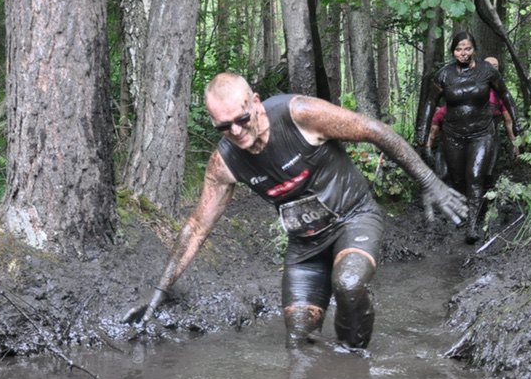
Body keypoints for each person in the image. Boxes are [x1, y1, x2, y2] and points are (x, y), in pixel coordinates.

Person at [125, 72, 466, 350]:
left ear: (255, 102)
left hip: (354, 218)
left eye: (241, 119)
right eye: (224, 127)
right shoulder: (224, 162)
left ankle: (353, 365)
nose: (236, 132)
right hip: (305, 247)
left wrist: (430, 183)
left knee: (348, 284)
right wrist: (158, 293)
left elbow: (374, 131)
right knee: (300, 342)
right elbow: (197, 227)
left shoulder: (299, 114)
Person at [418, 34, 519, 244]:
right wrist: (423, 131)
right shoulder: (443, 75)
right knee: (458, 178)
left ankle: (472, 226)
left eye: (467, 49)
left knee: (475, 175)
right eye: (458, 50)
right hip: (453, 134)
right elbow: (430, 103)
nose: (463, 53)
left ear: (474, 49)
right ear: (453, 52)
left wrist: (516, 121)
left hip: (482, 133)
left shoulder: (487, 71)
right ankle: (463, 213)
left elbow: (505, 95)